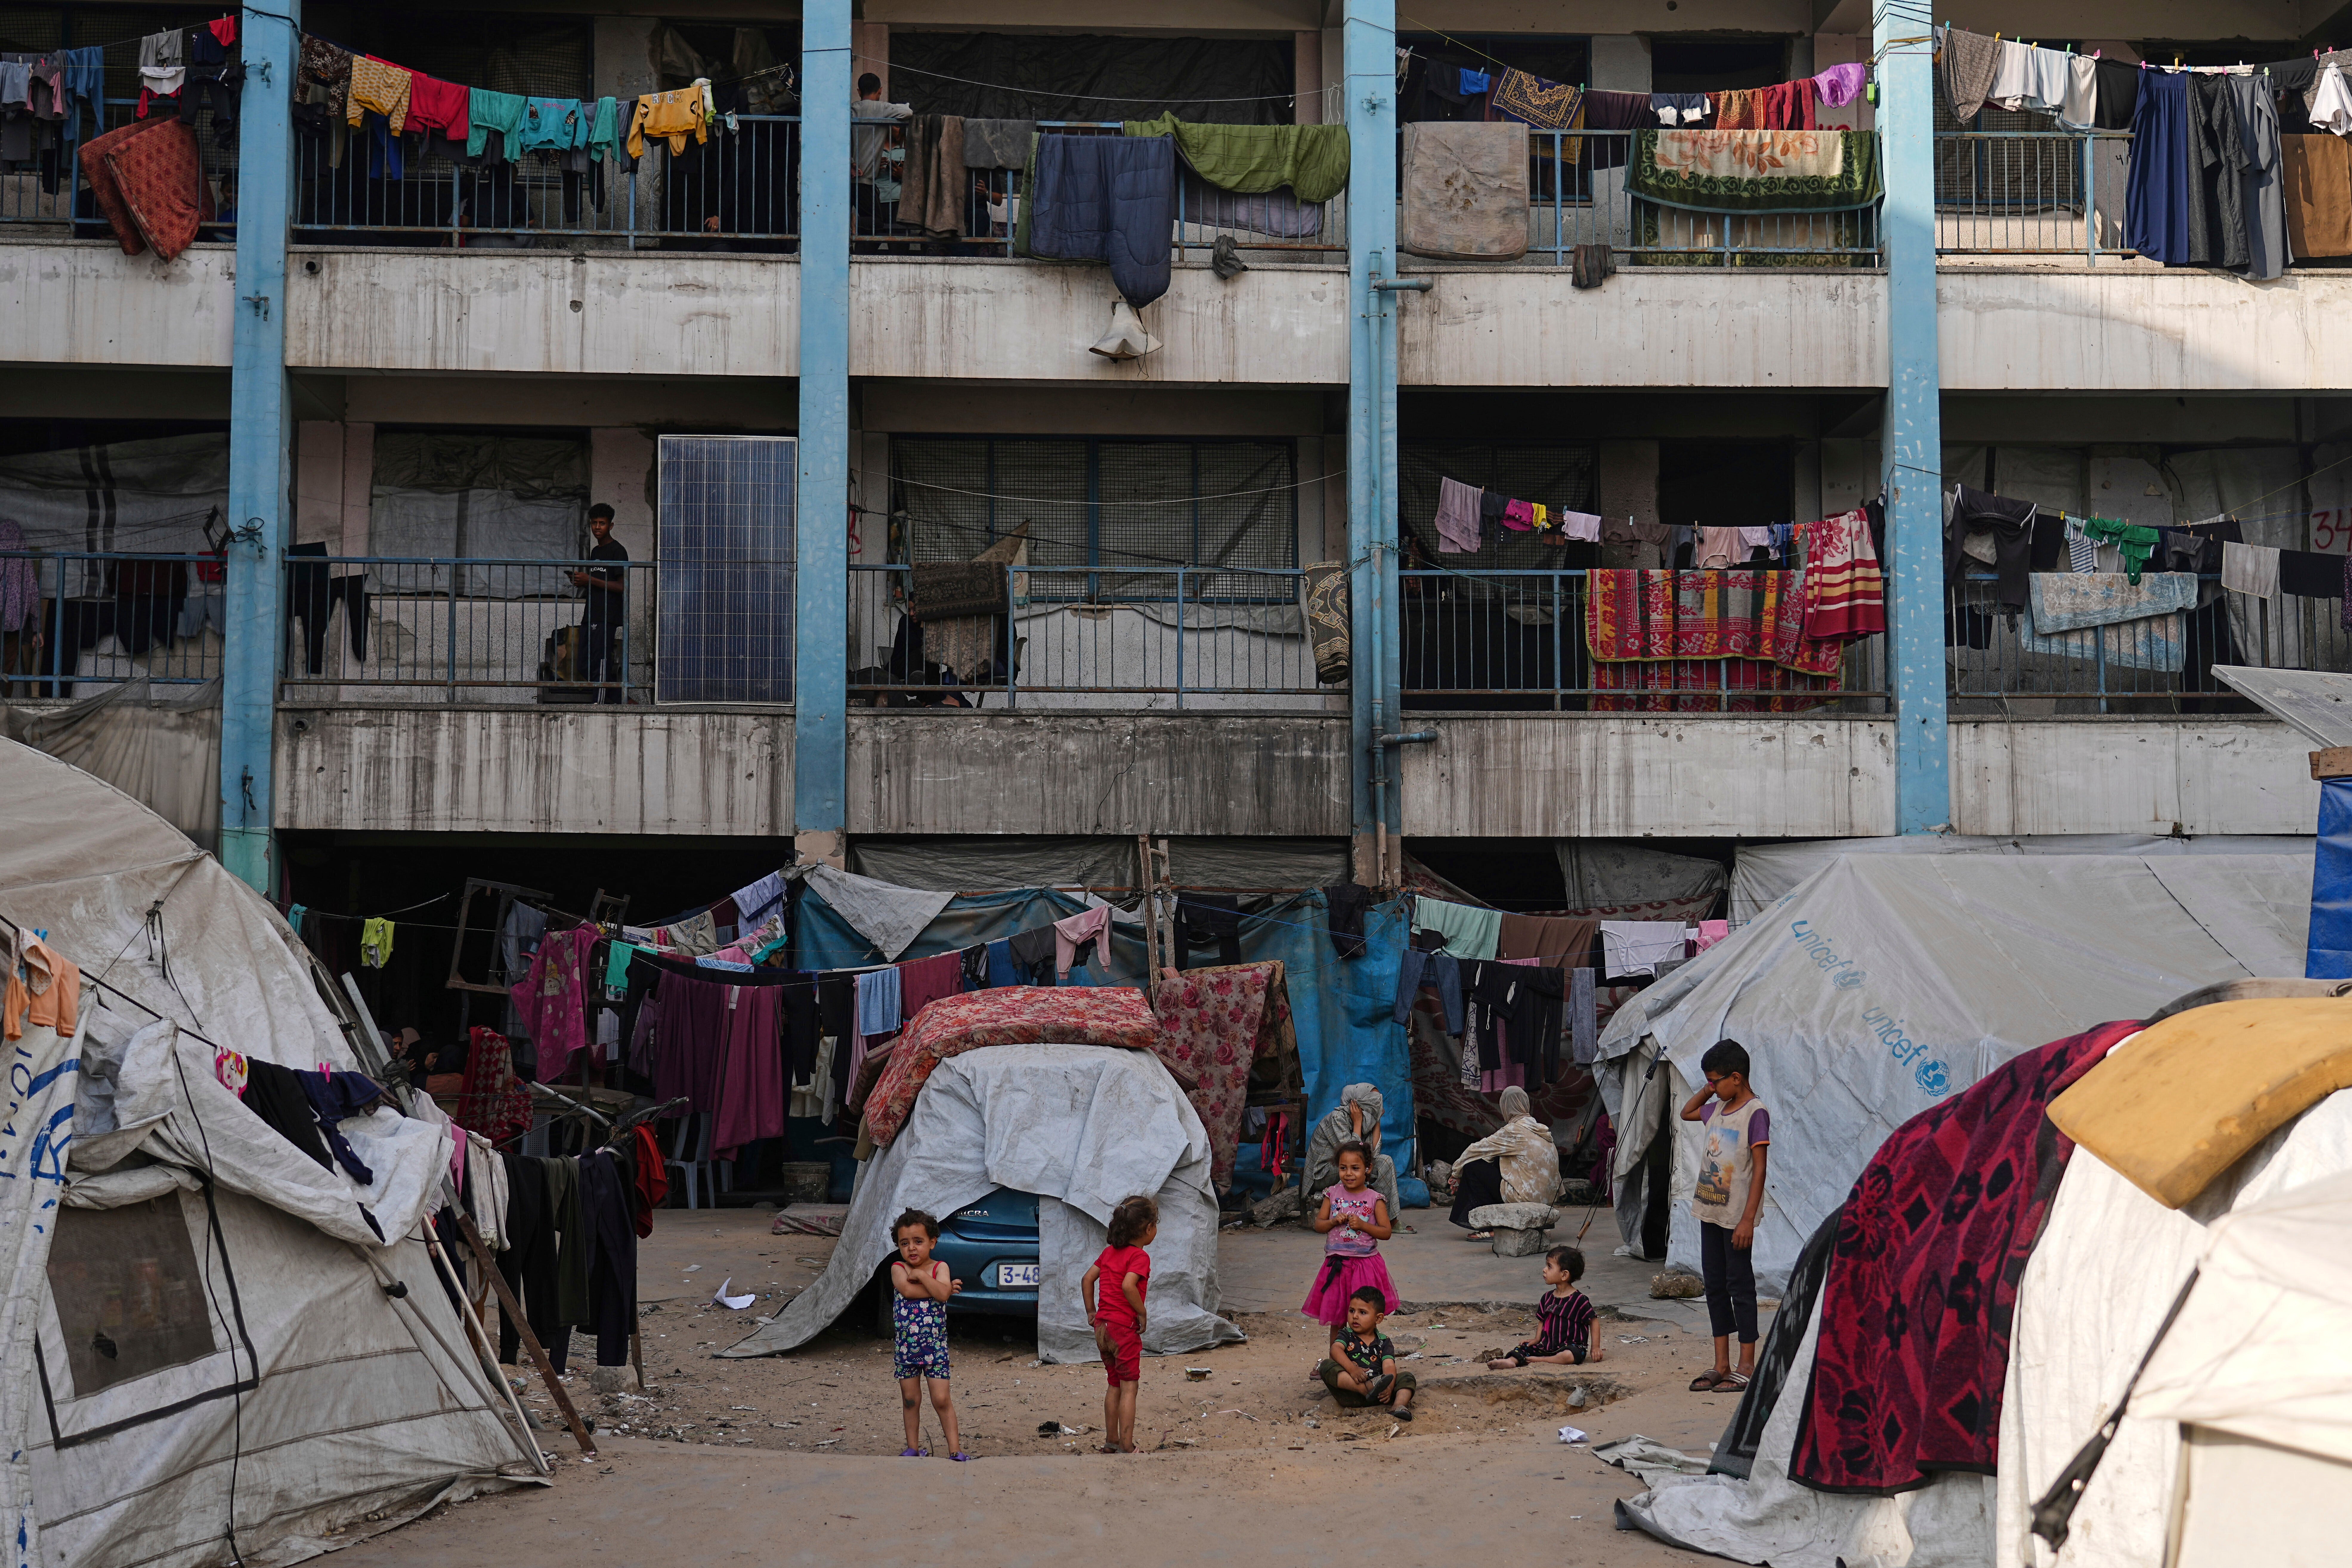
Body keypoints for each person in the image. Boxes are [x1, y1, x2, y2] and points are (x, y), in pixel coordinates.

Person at [1680, 1038, 1770, 1393]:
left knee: (1740, 1286)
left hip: (1736, 1217)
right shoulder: (1717, 1107)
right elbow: (1687, 1112)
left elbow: (1760, 1169)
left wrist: (1748, 1218)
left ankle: (1746, 1362)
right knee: (1715, 1286)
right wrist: (1707, 1089)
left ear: (1737, 1077)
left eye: (1716, 1080)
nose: (1713, 1087)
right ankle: (1721, 1362)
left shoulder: (1755, 1112)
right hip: (1710, 1211)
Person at [887, 1209, 969, 1459]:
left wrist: (923, 1276)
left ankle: (954, 1451)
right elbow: (909, 1292)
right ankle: (913, 1448)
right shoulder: (897, 1268)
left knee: (941, 1399)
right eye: (905, 1243)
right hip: (906, 1349)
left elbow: (941, 1294)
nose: (912, 1248)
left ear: (932, 1242)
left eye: (918, 1242)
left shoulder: (939, 1267)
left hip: (935, 1349)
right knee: (910, 1400)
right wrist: (941, 1289)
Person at [1083, 1194, 1157, 1454]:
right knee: (1129, 1388)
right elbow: (1129, 1286)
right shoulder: (1140, 1257)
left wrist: (1092, 1312)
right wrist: (1142, 1312)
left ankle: (1111, 1442)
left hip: (1102, 1328)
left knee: (1114, 1384)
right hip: (1123, 1330)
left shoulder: (1108, 1253)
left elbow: (1087, 1280)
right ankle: (1127, 1445)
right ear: (1148, 1229)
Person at [1301, 1142, 1398, 1328]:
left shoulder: (1375, 1199)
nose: (1349, 1174)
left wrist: (1363, 1225)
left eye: (1355, 1168)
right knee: (1337, 1320)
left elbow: (1386, 1232)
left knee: (1364, 1319)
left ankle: (1363, 1356)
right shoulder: (1332, 1194)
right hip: (1337, 1267)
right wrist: (1333, 1222)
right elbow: (1319, 1225)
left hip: (1365, 1266)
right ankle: (1336, 1357)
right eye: (1343, 1168)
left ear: (1367, 1169)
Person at [1448, 1084, 1561, 1238]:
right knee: (1494, 1161)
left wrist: (1456, 1174)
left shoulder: (1514, 1131)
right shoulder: (1542, 1130)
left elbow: (1475, 1151)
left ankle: (1493, 1228)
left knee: (1472, 1167)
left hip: (1526, 1198)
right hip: (1547, 1200)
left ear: (1506, 1108)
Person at [1487, 1246, 1603, 1369]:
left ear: (1564, 1275)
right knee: (1522, 1348)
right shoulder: (1547, 1298)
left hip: (1571, 1347)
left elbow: (1594, 1322)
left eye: (1550, 1267)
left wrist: (1595, 1348)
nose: (1544, 1270)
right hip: (1548, 1348)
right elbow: (1542, 1321)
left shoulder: (1579, 1300)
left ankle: (1542, 1360)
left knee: (1571, 1355)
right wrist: (1537, 1339)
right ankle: (1511, 1361)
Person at [1318, 1284, 1417, 1420]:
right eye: (1352, 1311)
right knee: (1326, 1366)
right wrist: (1352, 1369)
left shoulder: (1384, 1342)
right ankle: (1366, 1389)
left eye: (1362, 1313)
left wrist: (1389, 1386)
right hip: (1350, 1393)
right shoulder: (1347, 1334)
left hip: (1380, 1396)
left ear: (1378, 1319)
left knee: (1407, 1377)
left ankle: (1398, 1406)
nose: (1355, 1317)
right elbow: (1335, 1350)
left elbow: (1389, 1366)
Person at [1304, 1083, 1400, 1220]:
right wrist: (1358, 1123)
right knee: (1352, 1164)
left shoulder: (1367, 1123)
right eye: (1372, 1102)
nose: (1376, 1105)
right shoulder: (1337, 1118)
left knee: (1385, 1162)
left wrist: (1377, 1119)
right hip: (1322, 1175)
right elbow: (1350, 1154)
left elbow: (1372, 1155)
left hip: (1348, 1168)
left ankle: (1388, 1220)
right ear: (1356, 1104)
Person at [568, 504, 627, 704]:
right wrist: (581, 581)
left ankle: (600, 704)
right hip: (591, 613)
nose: (597, 527)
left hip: (607, 615)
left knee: (601, 662)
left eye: (602, 523)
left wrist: (590, 580)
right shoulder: (595, 551)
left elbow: (622, 587)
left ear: (611, 526)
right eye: (594, 523)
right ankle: (618, 699)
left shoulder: (618, 551)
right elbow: (597, 582)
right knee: (584, 664)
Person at [850, 72, 910, 242]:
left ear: (859, 91)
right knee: (876, 223)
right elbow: (908, 112)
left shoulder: (851, 109)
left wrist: (851, 163)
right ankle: (855, 222)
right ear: (881, 91)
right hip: (865, 180)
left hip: (847, 177)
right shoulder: (883, 109)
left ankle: (853, 224)